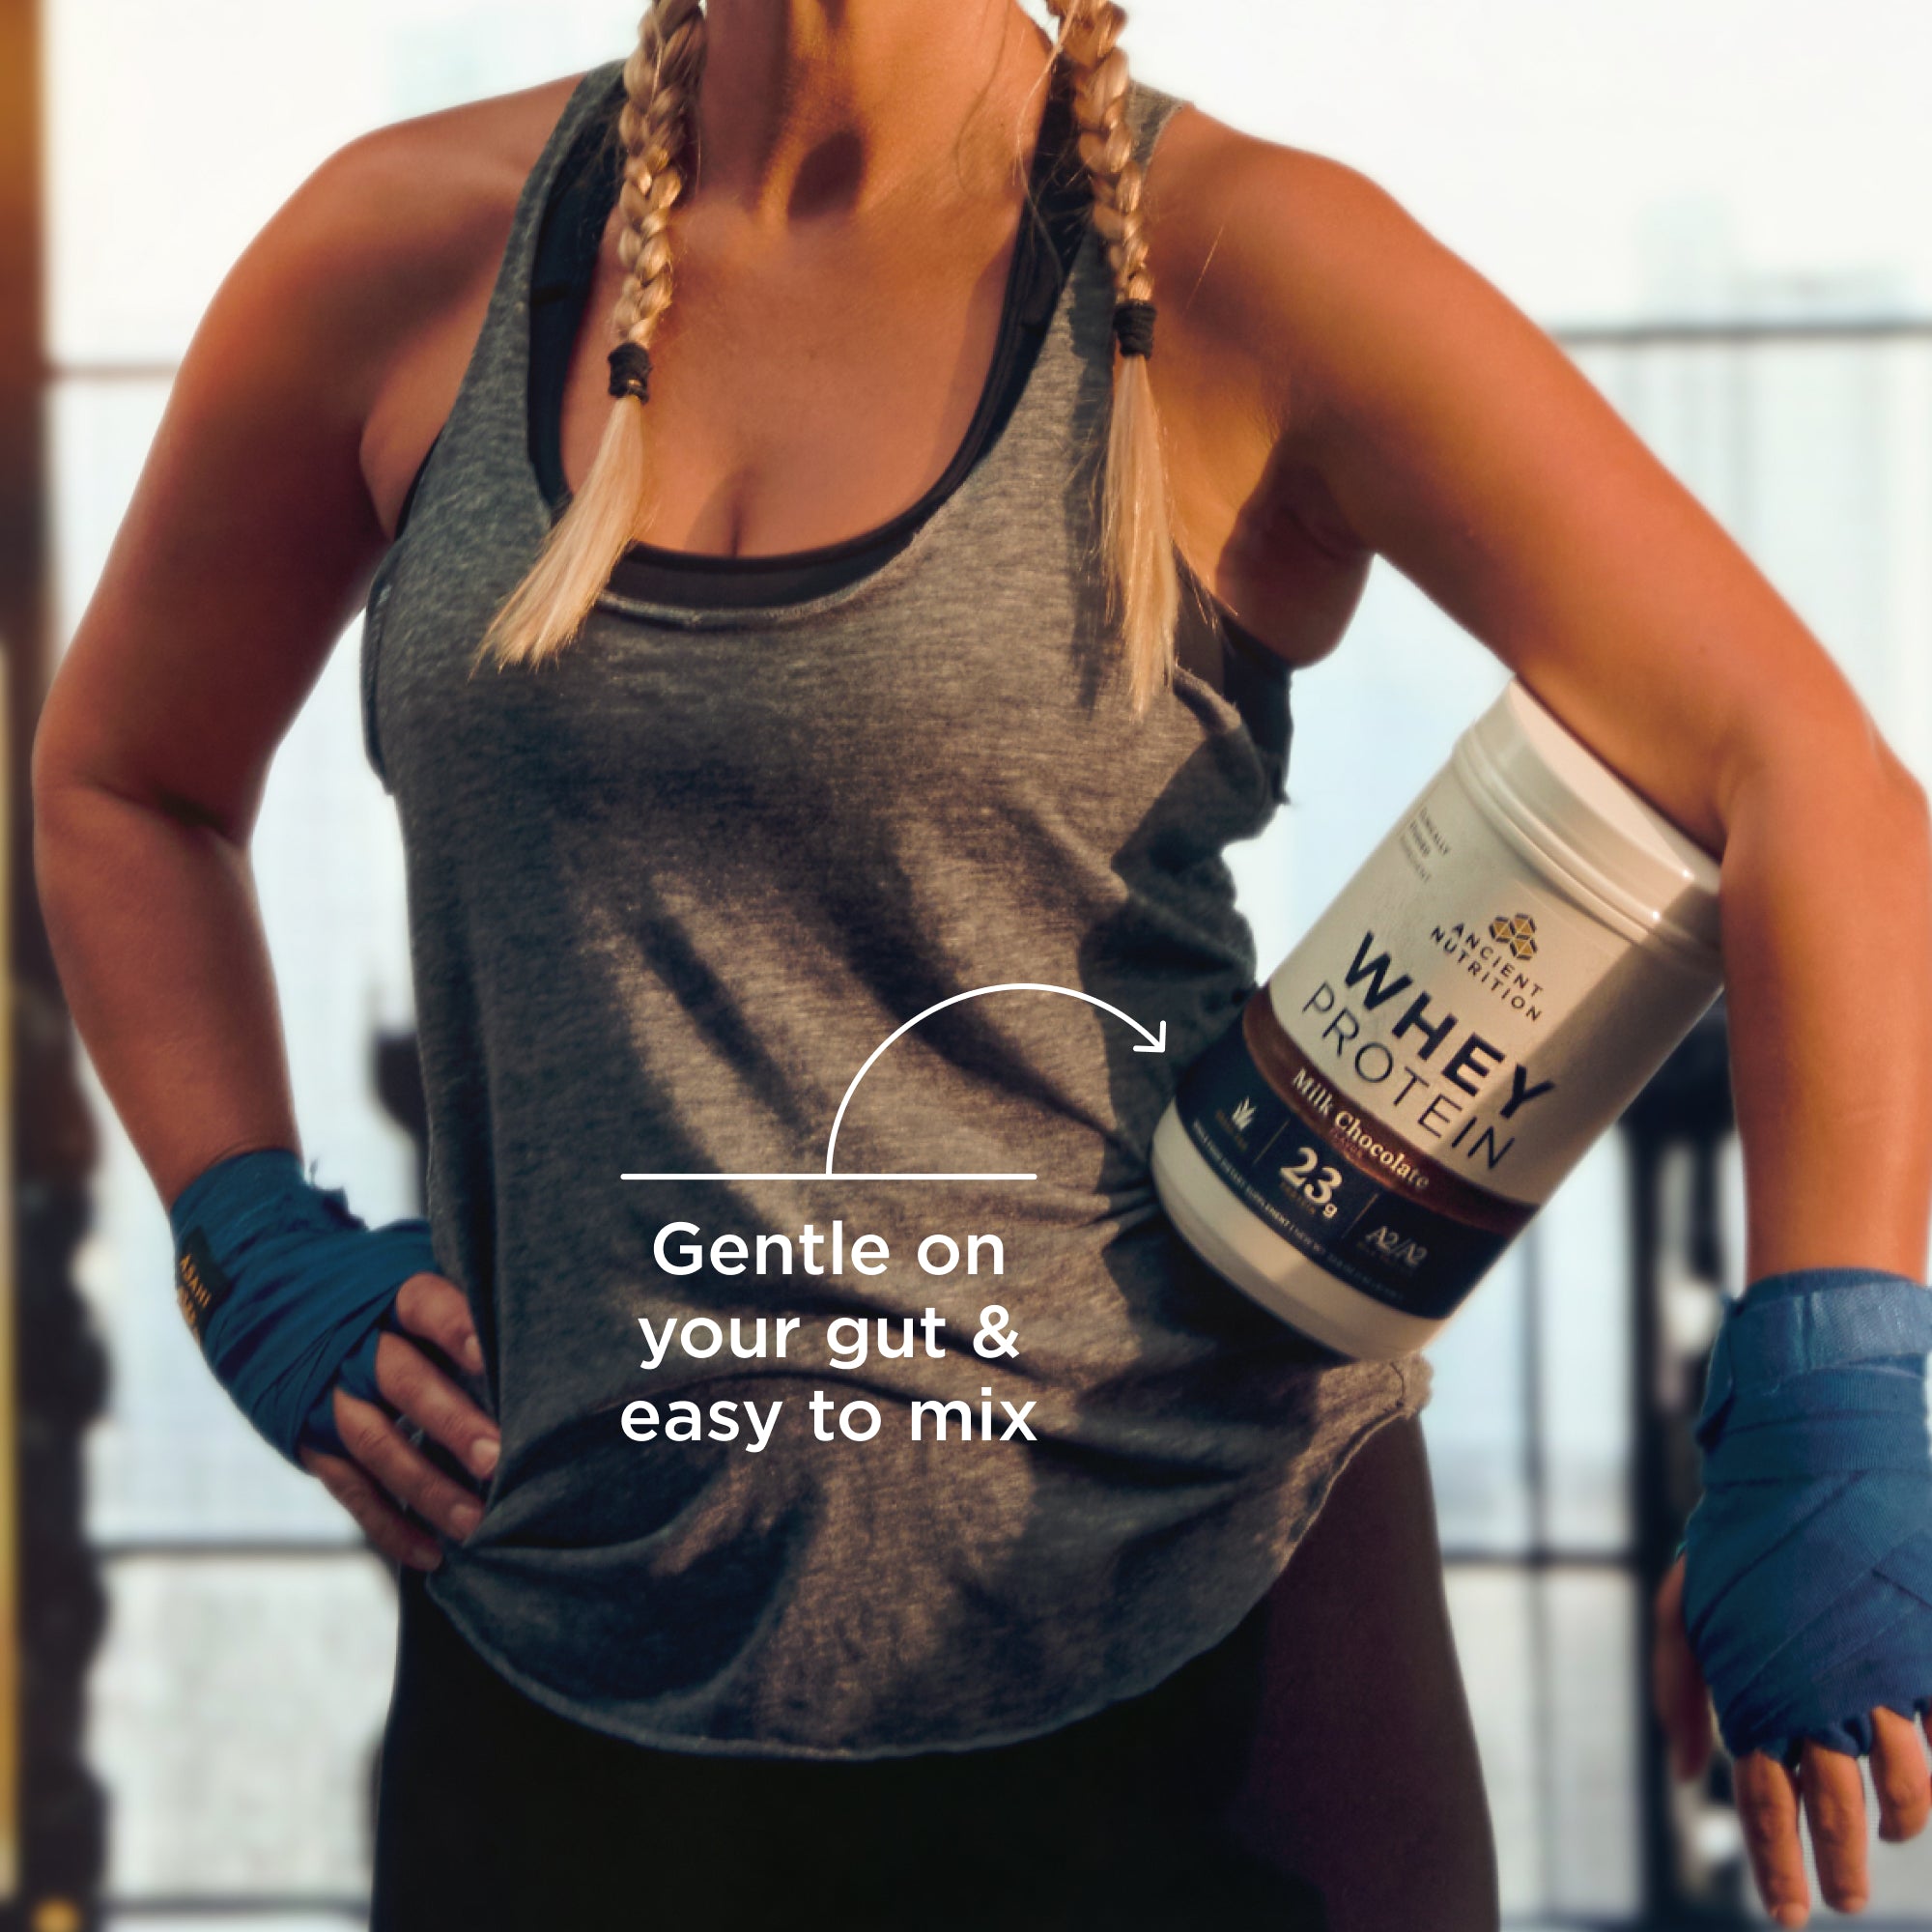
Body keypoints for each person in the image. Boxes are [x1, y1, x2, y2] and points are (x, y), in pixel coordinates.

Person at [27, 1, 1932, 1927]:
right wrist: (243, 1234)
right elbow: (125, 783)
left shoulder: (1234, 264)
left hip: (1209, 1687)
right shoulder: (409, 250)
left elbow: (1809, 778)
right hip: (562, 1703)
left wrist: (1826, 1387)